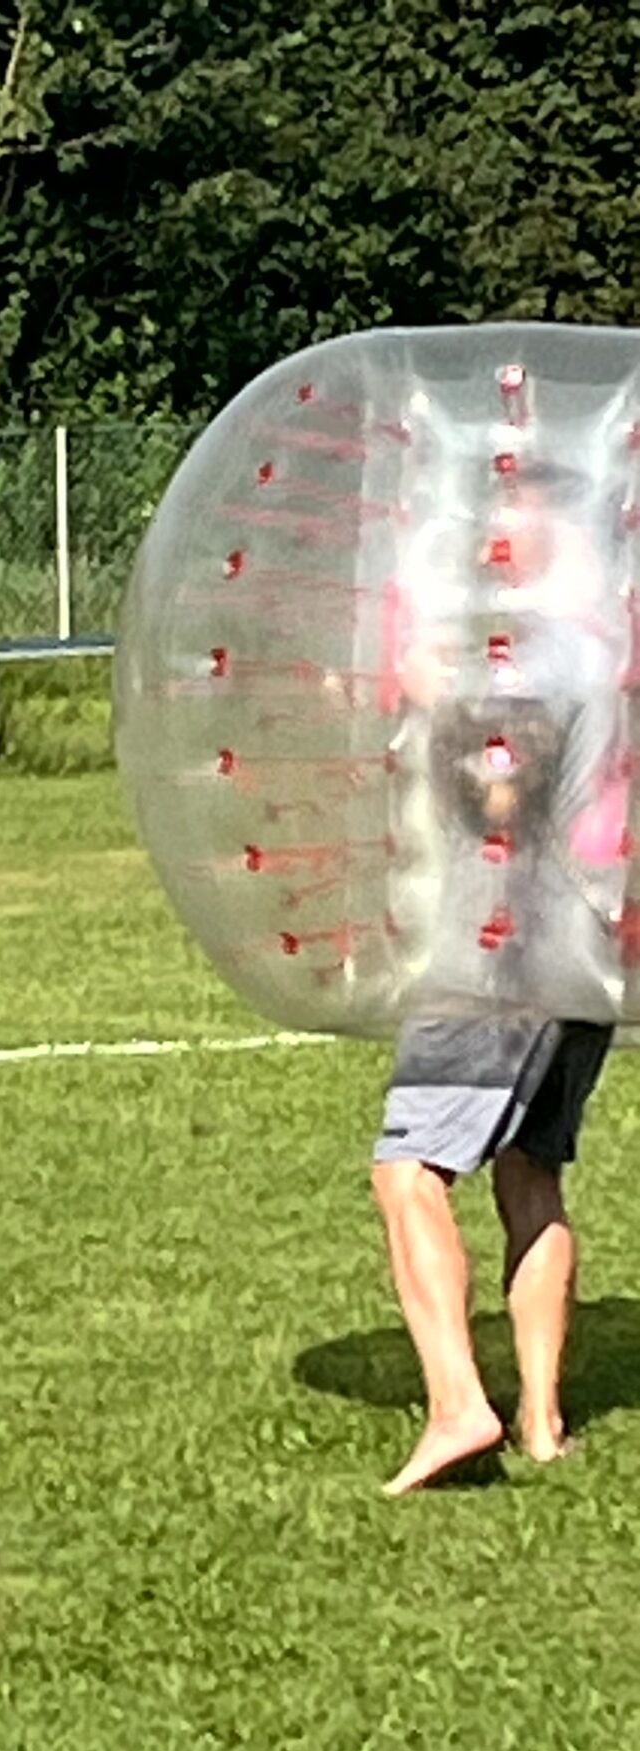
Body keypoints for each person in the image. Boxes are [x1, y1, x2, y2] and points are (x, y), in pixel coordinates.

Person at [373, 470, 626, 1495]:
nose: (492, 543)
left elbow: (502, 792)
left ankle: (456, 1405)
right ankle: (542, 1423)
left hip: (498, 944)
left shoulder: (536, 655)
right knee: (531, 1172)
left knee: (407, 1172)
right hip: (589, 946)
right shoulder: (608, 648)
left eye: (511, 522)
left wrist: (431, 694)